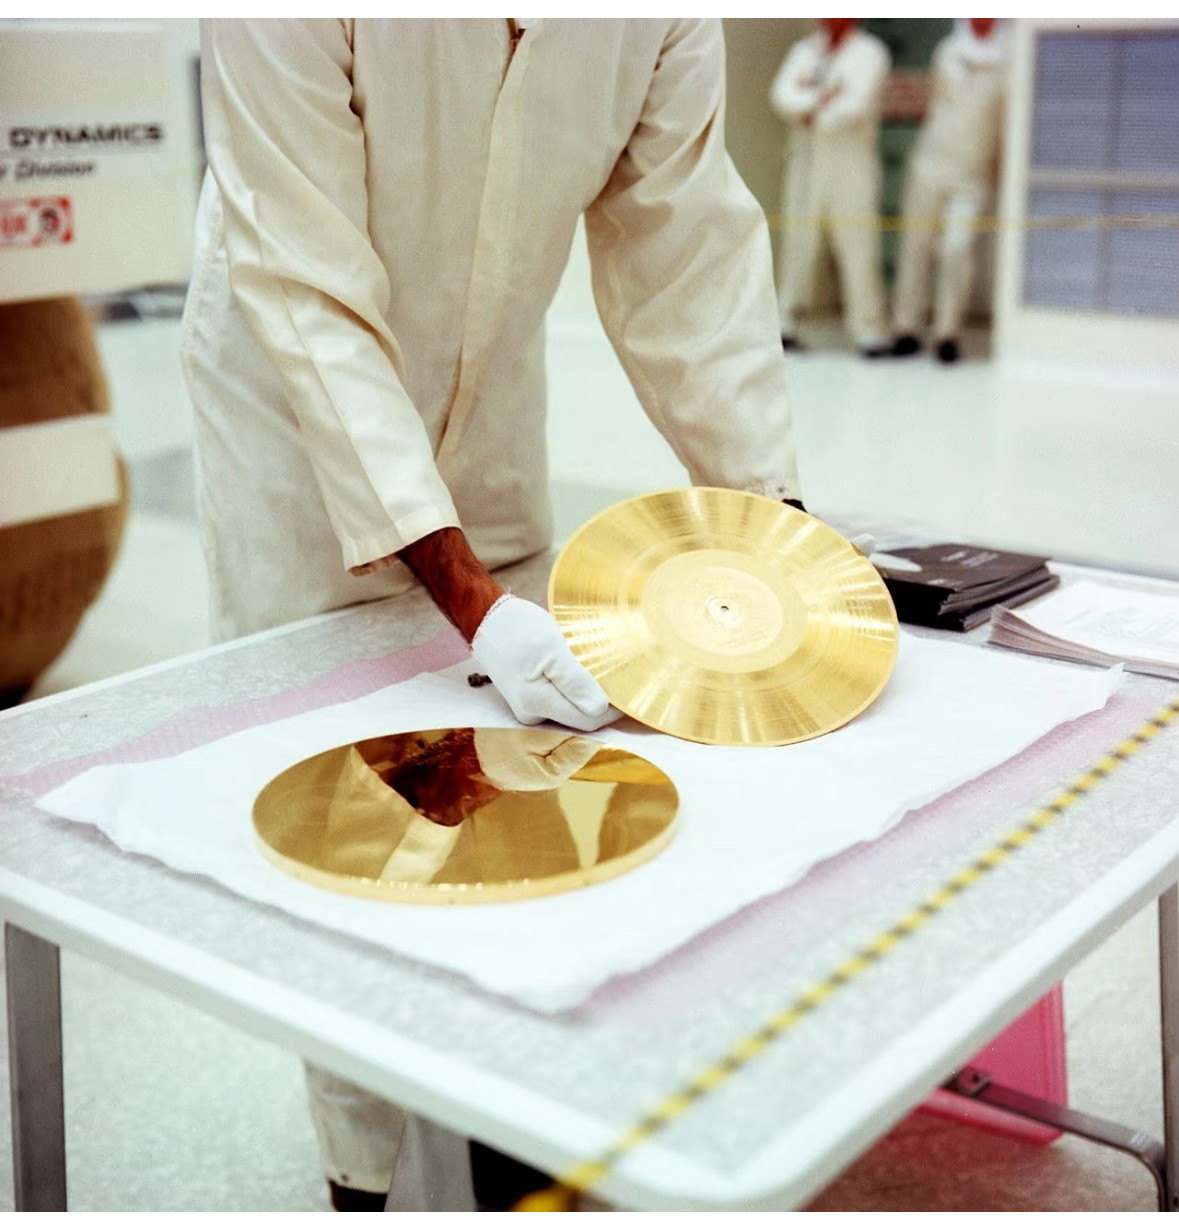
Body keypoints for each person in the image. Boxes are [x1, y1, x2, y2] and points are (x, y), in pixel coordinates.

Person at [183, 18, 803, 1212]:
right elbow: (305, 288)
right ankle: (365, 1172)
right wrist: (474, 604)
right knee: (349, 799)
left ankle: (513, 1114)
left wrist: (776, 528)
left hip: (494, 392)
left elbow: (687, 255)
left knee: (525, 777)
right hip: (291, 399)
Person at [890, 18, 1009, 364]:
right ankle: (906, 327)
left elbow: (1004, 122)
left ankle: (947, 333)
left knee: (957, 248)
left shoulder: (1009, 60)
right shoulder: (947, 51)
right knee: (915, 246)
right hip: (930, 164)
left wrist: (998, 175)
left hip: (971, 175)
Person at [770, 19, 891, 358]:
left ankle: (870, 331)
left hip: (851, 165)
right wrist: (823, 98)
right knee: (799, 243)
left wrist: (809, 110)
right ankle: (787, 325)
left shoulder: (870, 53)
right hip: (806, 161)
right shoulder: (804, 51)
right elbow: (781, 96)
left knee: (858, 246)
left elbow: (856, 105)